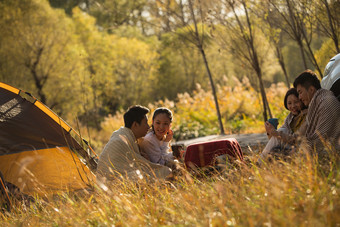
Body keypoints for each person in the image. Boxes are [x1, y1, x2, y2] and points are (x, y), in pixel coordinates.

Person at [96, 105, 172, 183]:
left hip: (113, 181)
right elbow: (138, 166)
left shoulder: (129, 137)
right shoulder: (120, 140)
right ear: (135, 125)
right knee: (153, 173)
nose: (148, 127)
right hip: (109, 183)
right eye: (145, 123)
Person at [293, 70, 340, 157]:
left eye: (300, 92)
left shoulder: (326, 103)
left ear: (311, 89)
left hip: (332, 156)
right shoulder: (317, 103)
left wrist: (297, 152)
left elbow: (319, 140)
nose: (299, 97)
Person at [259, 88, 307, 161]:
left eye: (296, 102)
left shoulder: (306, 116)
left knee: (280, 132)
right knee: (281, 131)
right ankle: (261, 162)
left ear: (302, 100)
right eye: (289, 103)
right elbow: (274, 140)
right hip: (291, 145)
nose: (293, 106)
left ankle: (259, 163)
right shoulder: (290, 117)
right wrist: (269, 132)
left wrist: (275, 133)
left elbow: (296, 140)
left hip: (300, 148)